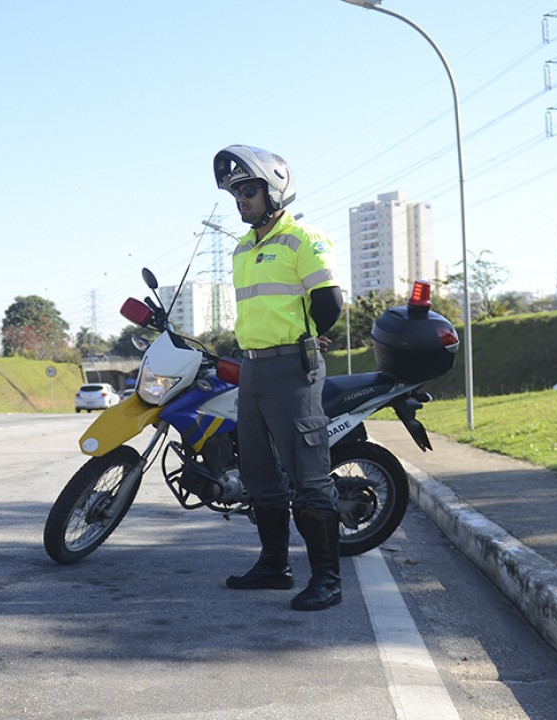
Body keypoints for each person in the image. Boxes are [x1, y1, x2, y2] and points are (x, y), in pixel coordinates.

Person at [213, 144, 344, 611]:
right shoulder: (242, 249)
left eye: (248, 191)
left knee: (308, 477)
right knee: (259, 474)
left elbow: (328, 303)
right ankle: (274, 566)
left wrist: (305, 337)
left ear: (274, 190)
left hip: (292, 370)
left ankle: (327, 579)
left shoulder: (302, 239)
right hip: (252, 370)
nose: (241, 201)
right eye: (236, 195)